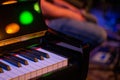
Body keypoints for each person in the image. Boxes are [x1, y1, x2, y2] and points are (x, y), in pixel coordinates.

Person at [40, 0, 107, 49]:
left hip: (55, 15)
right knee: (99, 34)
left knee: (93, 20)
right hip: (47, 21)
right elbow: (41, 6)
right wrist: (73, 15)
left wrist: (72, 9)